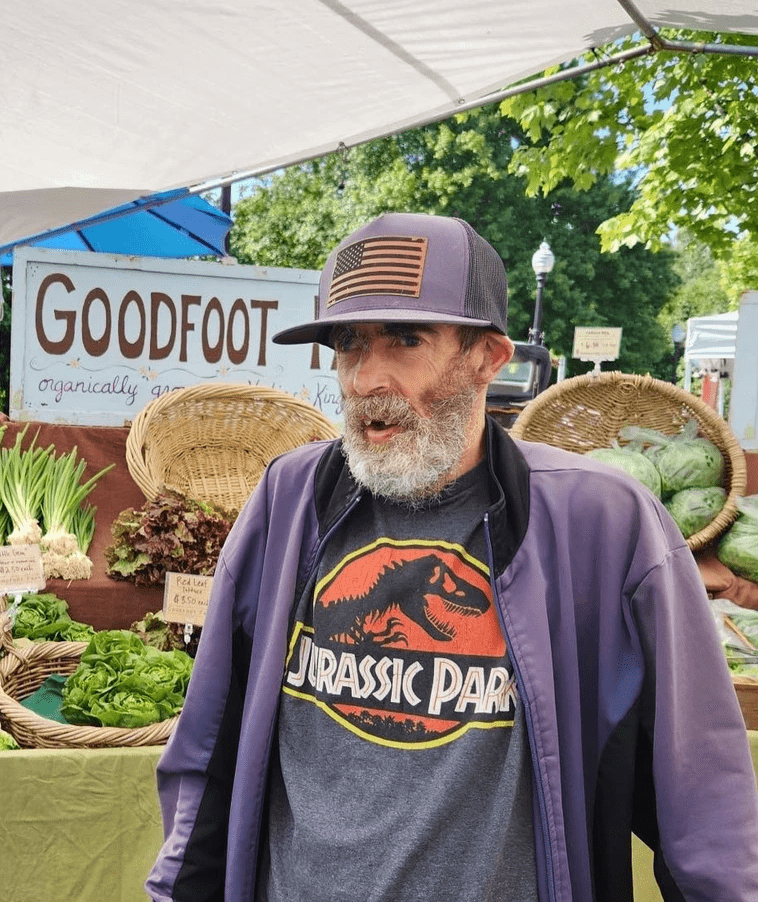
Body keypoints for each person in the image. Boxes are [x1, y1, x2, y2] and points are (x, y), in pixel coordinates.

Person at [145, 213, 758, 902]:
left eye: (406, 340)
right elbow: (207, 741)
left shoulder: (601, 522)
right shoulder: (289, 497)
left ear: (488, 357)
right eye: (348, 343)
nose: (365, 377)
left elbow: (700, 784)